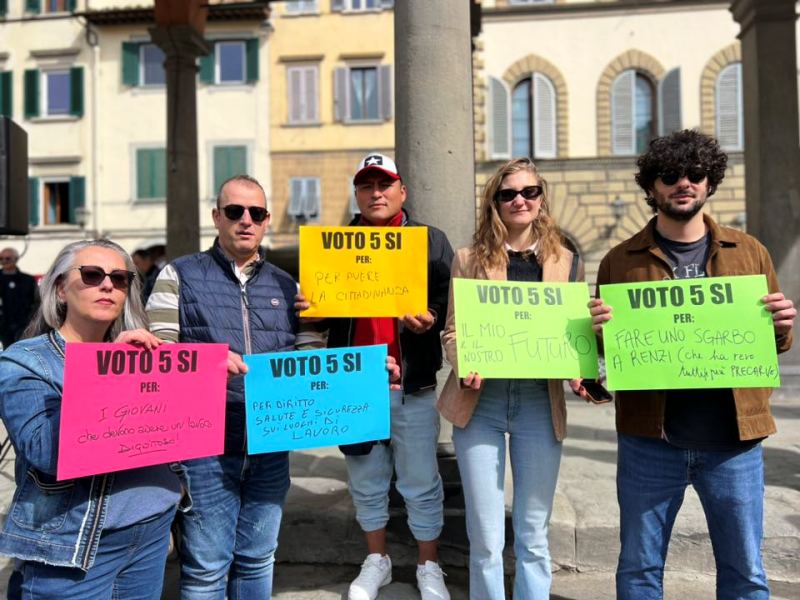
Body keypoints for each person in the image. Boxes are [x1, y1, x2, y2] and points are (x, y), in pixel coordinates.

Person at [589, 130, 796, 600]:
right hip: (649, 440)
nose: (683, 182)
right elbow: (611, 352)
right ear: (652, 186)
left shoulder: (750, 252)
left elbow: (772, 342)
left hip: (735, 441)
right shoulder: (619, 261)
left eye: (695, 173)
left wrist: (782, 325)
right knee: (638, 571)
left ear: (709, 181)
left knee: (745, 572)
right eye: (670, 175)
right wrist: (599, 335)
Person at [146, 174, 323, 599]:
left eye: (256, 213)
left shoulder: (289, 285)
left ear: (266, 221)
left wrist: (323, 327)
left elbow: (310, 359)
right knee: (207, 569)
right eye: (234, 211)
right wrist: (207, 366)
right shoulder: (178, 274)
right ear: (216, 216)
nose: (246, 220)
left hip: (270, 444)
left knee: (259, 559)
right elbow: (156, 356)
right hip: (204, 447)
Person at [297, 153, 453, 600]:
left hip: (412, 383)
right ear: (357, 194)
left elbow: (449, 298)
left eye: (384, 184)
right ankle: (377, 560)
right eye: (366, 186)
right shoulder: (333, 245)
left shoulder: (429, 240)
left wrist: (431, 318)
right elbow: (320, 317)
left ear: (402, 191)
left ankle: (429, 564)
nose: (376, 193)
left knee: (421, 482)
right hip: (354, 385)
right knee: (365, 480)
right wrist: (310, 310)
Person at [0, 239, 184, 599]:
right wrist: (105, 374)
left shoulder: (143, 354)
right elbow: (46, 453)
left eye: (120, 278)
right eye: (92, 274)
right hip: (75, 546)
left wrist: (205, 377)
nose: (107, 285)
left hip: (151, 529)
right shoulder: (26, 361)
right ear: (60, 289)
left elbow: (168, 433)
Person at [438, 158, 584, 599]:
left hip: (540, 400)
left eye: (529, 191)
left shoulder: (567, 261)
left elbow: (574, 330)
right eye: (508, 194)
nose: (520, 200)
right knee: (485, 534)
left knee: (534, 530)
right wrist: (464, 362)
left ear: (541, 199)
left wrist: (580, 368)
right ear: (495, 203)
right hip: (480, 402)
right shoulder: (468, 259)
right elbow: (452, 331)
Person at [0, 247, 40, 350]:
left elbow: (37, 302)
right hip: (3, 326)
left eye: (7, 258)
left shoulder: (27, 280)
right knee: (7, 352)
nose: (4, 261)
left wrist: (31, 320)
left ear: (16, 259)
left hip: (24, 325)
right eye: (1, 258)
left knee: (23, 351)